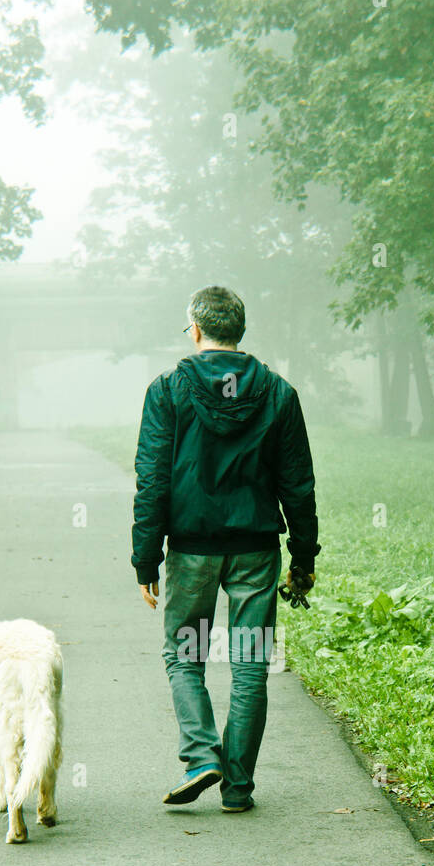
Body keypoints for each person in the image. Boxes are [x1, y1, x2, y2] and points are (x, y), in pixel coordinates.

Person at [131, 285, 319, 812]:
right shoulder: (279, 393)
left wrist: (147, 557)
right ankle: (237, 786)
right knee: (250, 664)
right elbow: (299, 486)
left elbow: (153, 482)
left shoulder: (167, 390)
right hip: (257, 550)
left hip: (192, 551)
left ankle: (201, 755)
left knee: (186, 656)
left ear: (195, 330)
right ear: (239, 331)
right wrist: (303, 558)